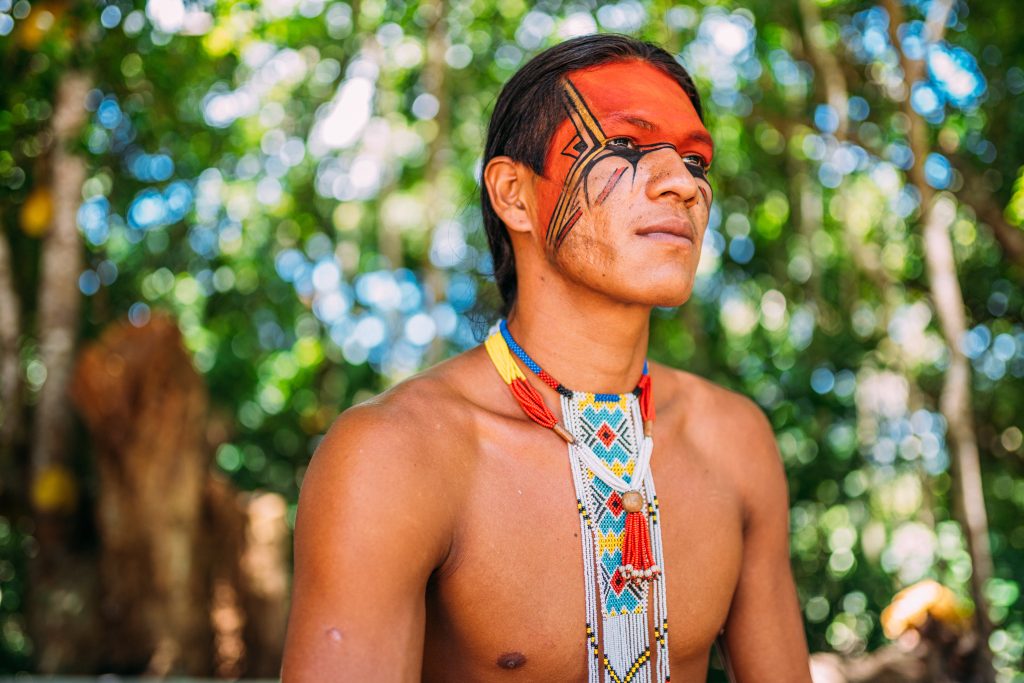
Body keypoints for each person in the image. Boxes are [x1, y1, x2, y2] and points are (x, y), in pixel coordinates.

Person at [282, 34, 812, 682]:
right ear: (513, 194)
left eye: (695, 161)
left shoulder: (734, 443)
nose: (682, 184)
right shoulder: (396, 457)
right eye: (623, 146)